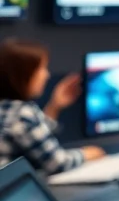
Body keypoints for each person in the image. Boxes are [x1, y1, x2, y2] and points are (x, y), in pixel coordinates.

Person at [0, 39, 105, 174]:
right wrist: (86, 153)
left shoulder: (8, 108)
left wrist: (55, 106)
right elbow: (57, 163)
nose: (47, 75)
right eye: (41, 69)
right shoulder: (22, 114)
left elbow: (34, 138)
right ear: (23, 74)